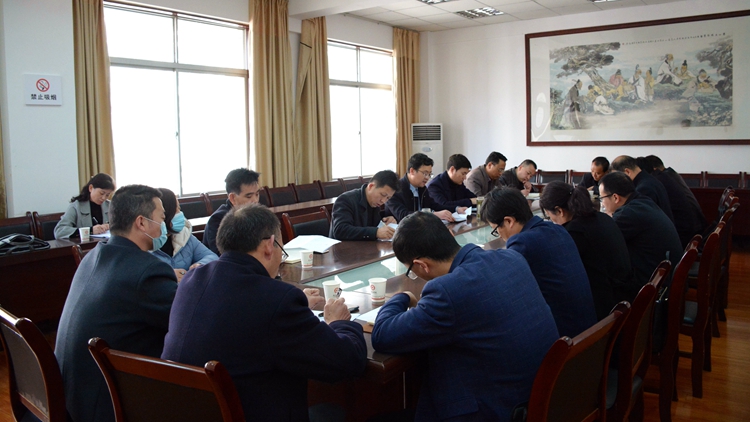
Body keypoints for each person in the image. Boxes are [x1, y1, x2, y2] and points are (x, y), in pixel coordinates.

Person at [162, 204, 367, 421]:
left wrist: (296, 307)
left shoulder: (190, 282)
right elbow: (347, 361)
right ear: (269, 245)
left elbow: (242, 316)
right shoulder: (276, 300)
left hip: (190, 412)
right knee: (334, 411)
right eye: (281, 248)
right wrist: (337, 322)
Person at [372, 212, 558, 422]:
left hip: (496, 410)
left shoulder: (447, 291)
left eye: (412, 271)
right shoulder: (510, 257)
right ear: (450, 236)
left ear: (422, 265)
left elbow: (382, 335)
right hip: (539, 398)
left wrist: (402, 296)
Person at [55, 185, 178, 422]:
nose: (164, 225)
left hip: (71, 395)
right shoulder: (147, 271)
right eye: (162, 218)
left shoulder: (94, 255)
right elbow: (186, 323)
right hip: (106, 403)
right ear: (141, 223)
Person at [481, 188, 597, 337]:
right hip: (588, 331)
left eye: (495, 229)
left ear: (509, 221)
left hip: (564, 338)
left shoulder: (522, 243)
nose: (499, 236)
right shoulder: (557, 229)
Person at [539, 181, 637, 318]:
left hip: (609, 310)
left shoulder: (574, 232)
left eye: (550, 217)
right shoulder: (601, 217)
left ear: (559, 211)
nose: (552, 221)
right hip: (626, 297)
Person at [599, 172, 683, 289]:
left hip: (653, 286)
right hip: (666, 276)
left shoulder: (627, 214)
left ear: (615, 198)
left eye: (601, 198)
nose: (602, 204)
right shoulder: (643, 201)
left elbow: (601, 241)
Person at [152, 188, 218, 282]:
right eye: (177, 209)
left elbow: (212, 257)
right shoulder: (146, 242)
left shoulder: (184, 234)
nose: (180, 214)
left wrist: (200, 265)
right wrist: (166, 274)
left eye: (179, 208)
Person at [642, 156, 707, 247]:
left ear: (654, 169)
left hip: (688, 230)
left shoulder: (661, 178)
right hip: (696, 224)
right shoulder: (671, 174)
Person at [203, 168, 262, 255]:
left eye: (257, 194)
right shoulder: (218, 220)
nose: (255, 200)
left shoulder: (257, 214)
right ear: (232, 198)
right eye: (249, 196)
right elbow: (223, 255)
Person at [330, 170, 400, 240]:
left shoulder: (374, 203)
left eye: (388, 198)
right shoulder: (346, 200)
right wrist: (375, 232)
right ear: (371, 186)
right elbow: (340, 230)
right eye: (383, 195)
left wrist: (385, 222)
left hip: (366, 245)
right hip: (343, 246)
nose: (383, 201)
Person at [385, 153, 454, 222]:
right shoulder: (395, 190)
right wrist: (432, 214)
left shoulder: (422, 189)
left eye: (429, 174)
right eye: (425, 173)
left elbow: (434, 206)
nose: (427, 177)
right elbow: (403, 215)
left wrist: (456, 209)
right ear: (412, 171)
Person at [611, 155, 674, 223]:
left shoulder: (644, 188)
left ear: (627, 172)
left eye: (618, 178)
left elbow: (635, 217)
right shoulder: (648, 179)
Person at [54, 173, 115, 239]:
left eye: (107, 195)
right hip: (85, 244)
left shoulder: (110, 206)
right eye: (101, 193)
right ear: (91, 188)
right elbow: (59, 231)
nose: (104, 198)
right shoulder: (76, 206)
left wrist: (111, 226)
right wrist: (90, 230)